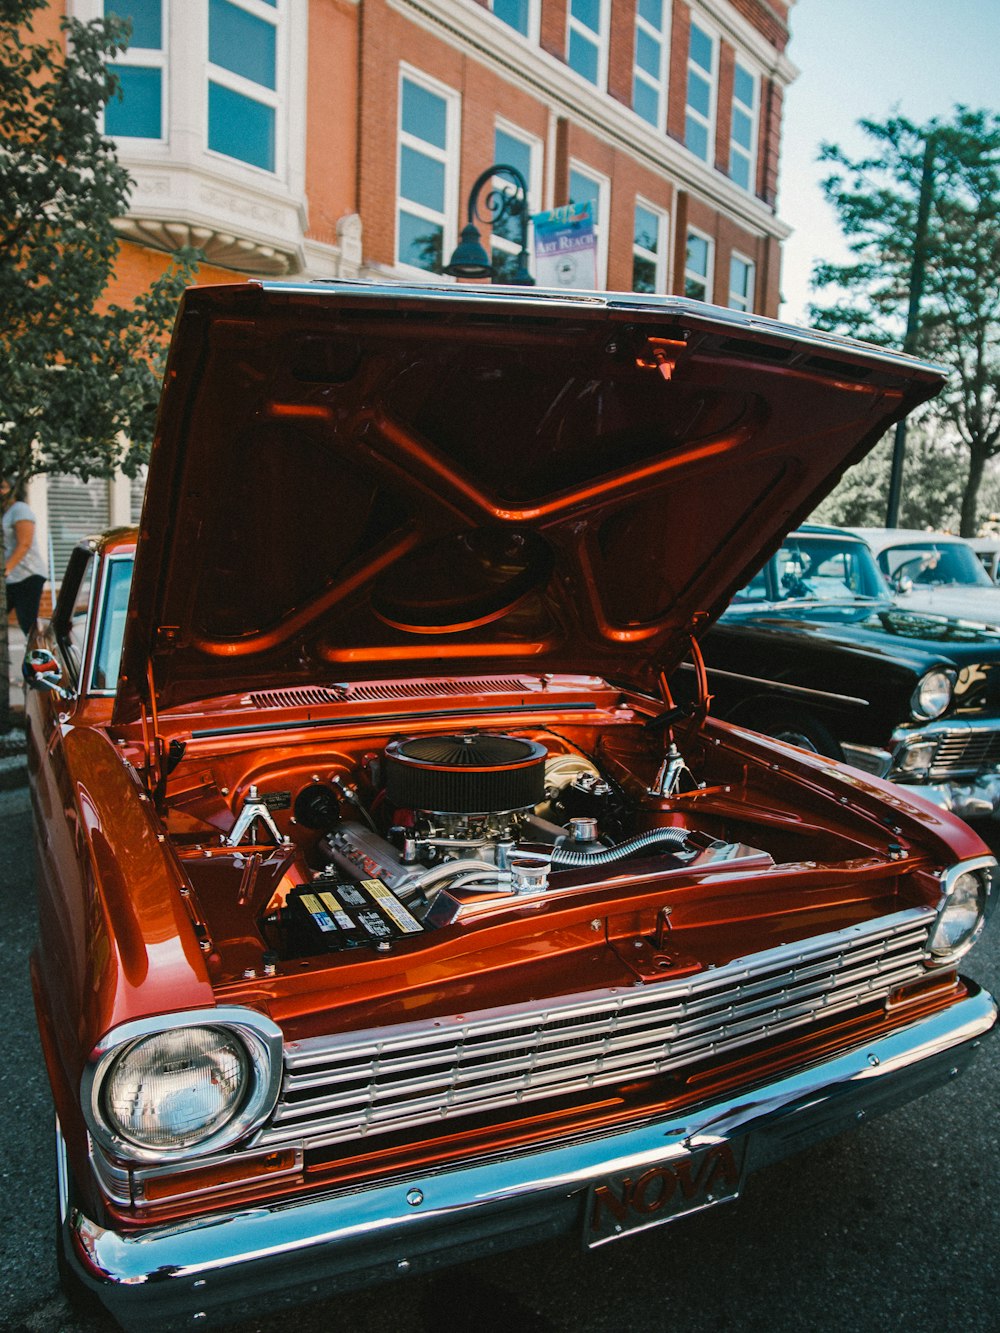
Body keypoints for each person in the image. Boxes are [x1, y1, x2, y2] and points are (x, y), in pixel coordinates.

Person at [2, 475, 47, 635]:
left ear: (14, 490)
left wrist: (6, 570)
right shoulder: (5, 511)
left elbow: (25, 544)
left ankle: (41, 656)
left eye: (3, 487)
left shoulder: (20, 509)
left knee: (27, 623)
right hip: (11, 578)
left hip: (28, 575)